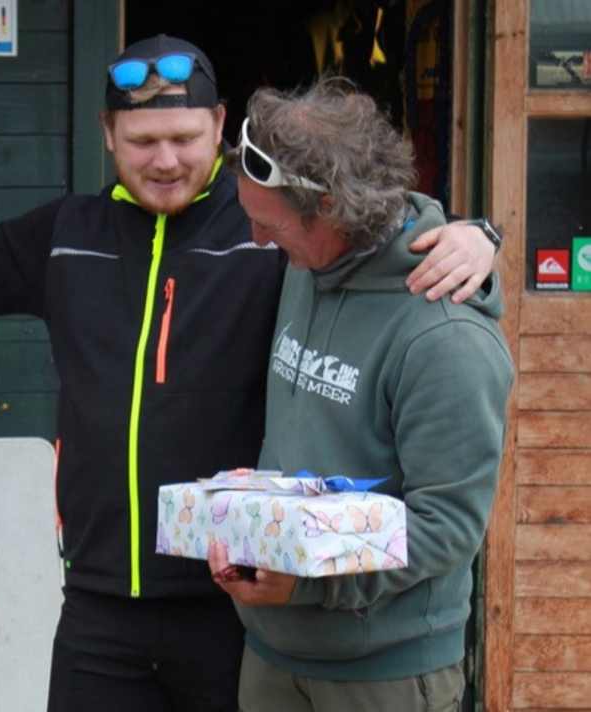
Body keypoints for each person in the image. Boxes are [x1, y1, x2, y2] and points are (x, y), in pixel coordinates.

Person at [0, 36, 498, 712]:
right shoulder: (69, 237)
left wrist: (478, 239)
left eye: (186, 137)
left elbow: (374, 229)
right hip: (100, 610)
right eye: (143, 139)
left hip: (236, 610)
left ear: (221, 128)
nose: (166, 159)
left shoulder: (270, 236)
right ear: (108, 136)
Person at [206, 77, 513, 711]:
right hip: (271, 652)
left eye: (271, 224)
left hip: (384, 672)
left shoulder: (444, 336)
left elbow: (446, 527)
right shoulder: (309, 266)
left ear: (334, 210)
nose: (260, 241)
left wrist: (306, 583)